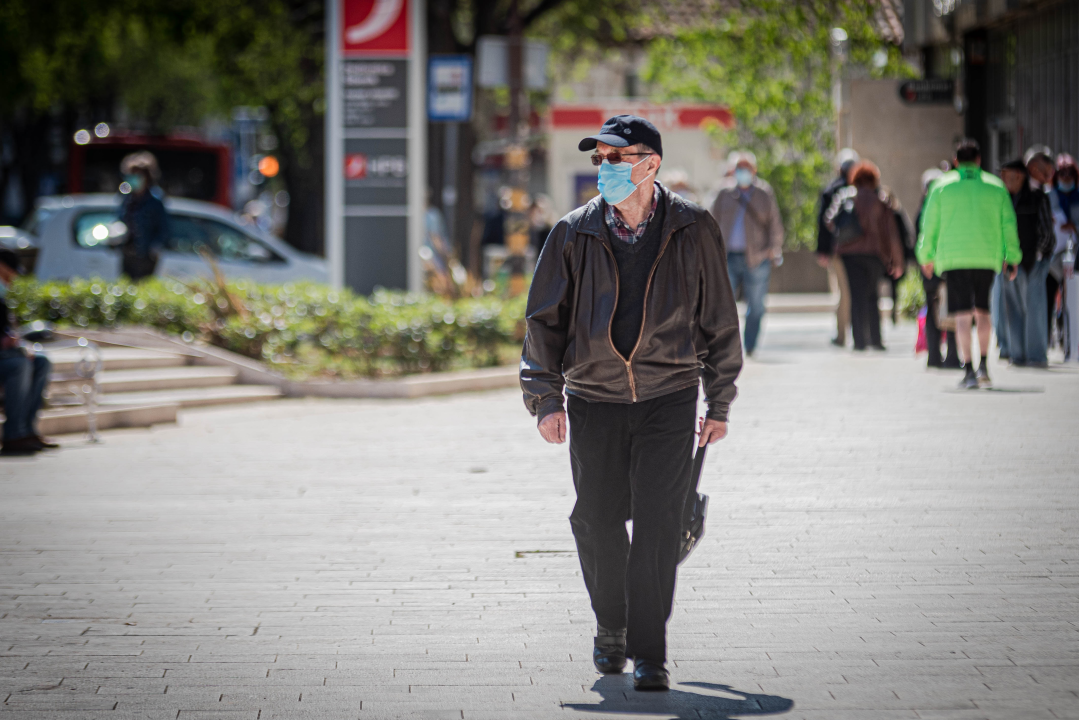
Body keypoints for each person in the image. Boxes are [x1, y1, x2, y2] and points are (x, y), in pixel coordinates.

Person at [520, 115, 742, 691]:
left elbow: (719, 319)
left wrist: (718, 401)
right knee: (594, 519)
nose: (607, 169)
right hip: (593, 396)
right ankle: (610, 627)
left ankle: (649, 651)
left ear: (651, 163)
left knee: (657, 524)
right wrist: (544, 398)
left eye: (618, 158)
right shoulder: (573, 232)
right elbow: (544, 321)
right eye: (600, 160)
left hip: (669, 396)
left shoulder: (693, 227)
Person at [917, 139, 1022, 389]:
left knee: (962, 315)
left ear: (956, 161)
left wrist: (925, 256)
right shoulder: (996, 187)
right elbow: (1009, 225)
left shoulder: (941, 187)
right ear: (979, 160)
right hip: (986, 257)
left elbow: (928, 225)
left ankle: (968, 372)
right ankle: (984, 365)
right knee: (983, 311)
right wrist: (1013, 257)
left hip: (954, 259)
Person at [709, 150, 784, 356]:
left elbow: (775, 224)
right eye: (738, 168)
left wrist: (773, 247)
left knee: (757, 305)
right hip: (727, 256)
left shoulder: (763, 193)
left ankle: (749, 345)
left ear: (754, 170)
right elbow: (709, 221)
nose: (743, 171)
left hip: (757, 257)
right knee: (724, 305)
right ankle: (728, 346)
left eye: (746, 167)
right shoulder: (723, 193)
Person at [825, 160, 905, 351]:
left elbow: (829, 220)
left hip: (849, 254)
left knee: (855, 295)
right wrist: (898, 261)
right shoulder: (881, 199)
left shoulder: (846, 197)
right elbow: (892, 233)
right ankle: (876, 340)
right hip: (875, 254)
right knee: (872, 295)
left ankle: (859, 340)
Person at [999, 159, 1055, 367]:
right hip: (1009, 263)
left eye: (1007, 174)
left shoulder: (1037, 198)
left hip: (1034, 263)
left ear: (1019, 176)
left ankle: (1036, 356)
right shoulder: (1003, 198)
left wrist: (1039, 256)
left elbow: (1046, 232)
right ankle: (1017, 355)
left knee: (1034, 310)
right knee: (1012, 310)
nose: (1003, 179)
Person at [0, 250, 55, 456]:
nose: (12, 277)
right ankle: (13, 434)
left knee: (41, 361)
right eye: (10, 271)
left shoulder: (3, 296)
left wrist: (18, 342)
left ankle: (27, 430)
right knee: (19, 364)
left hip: (5, 355)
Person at [915, 168, 961, 369]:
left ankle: (934, 356)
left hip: (929, 268)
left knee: (934, 313)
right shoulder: (946, 208)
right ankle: (950, 356)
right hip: (944, 266)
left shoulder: (922, 209)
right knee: (949, 312)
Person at [817, 149, 860, 347]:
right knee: (853, 292)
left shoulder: (831, 189)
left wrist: (823, 251)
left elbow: (823, 223)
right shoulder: (863, 189)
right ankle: (856, 333)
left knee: (843, 293)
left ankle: (842, 335)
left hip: (838, 250)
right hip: (859, 249)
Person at [119, 152, 168, 281]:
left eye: (138, 175)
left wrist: (154, 248)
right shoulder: (127, 199)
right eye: (131, 175)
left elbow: (163, 228)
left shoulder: (155, 200)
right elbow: (119, 220)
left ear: (147, 176)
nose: (134, 178)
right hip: (127, 253)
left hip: (146, 256)